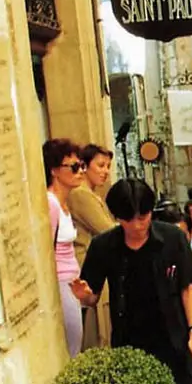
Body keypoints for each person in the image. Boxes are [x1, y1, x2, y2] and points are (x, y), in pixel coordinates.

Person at [70, 179, 192, 384]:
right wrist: (83, 295)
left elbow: (187, 286)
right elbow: (92, 297)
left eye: (143, 216)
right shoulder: (103, 246)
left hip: (174, 341)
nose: (137, 225)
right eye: (129, 219)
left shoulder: (172, 238)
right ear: (117, 217)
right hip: (130, 346)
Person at [68, 143, 115, 349]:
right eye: (101, 165)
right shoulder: (80, 194)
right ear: (85, 166)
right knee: (96, 331)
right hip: (86, 264)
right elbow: (107, 229)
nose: (105, 171)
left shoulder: (91, 194)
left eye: (108, 166)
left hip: (93, 264)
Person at [43, 139, 84, 357]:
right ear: (54, 170)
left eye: (82, 166)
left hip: (71, 282)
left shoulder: (64, 203)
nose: (80, 172)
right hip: (61, 282)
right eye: (74, 167)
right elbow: (46, 250)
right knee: (72, 348)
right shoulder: (50, 203)